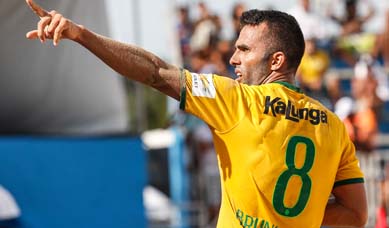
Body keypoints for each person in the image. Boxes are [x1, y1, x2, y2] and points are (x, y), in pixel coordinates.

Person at [25, 1, 367, 227]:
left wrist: (80, 34)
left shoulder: (236, 100)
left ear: (276, 61)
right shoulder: (333, 126)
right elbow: (355, 213)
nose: (233, 59)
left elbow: (155, 72)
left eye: (244, 50)